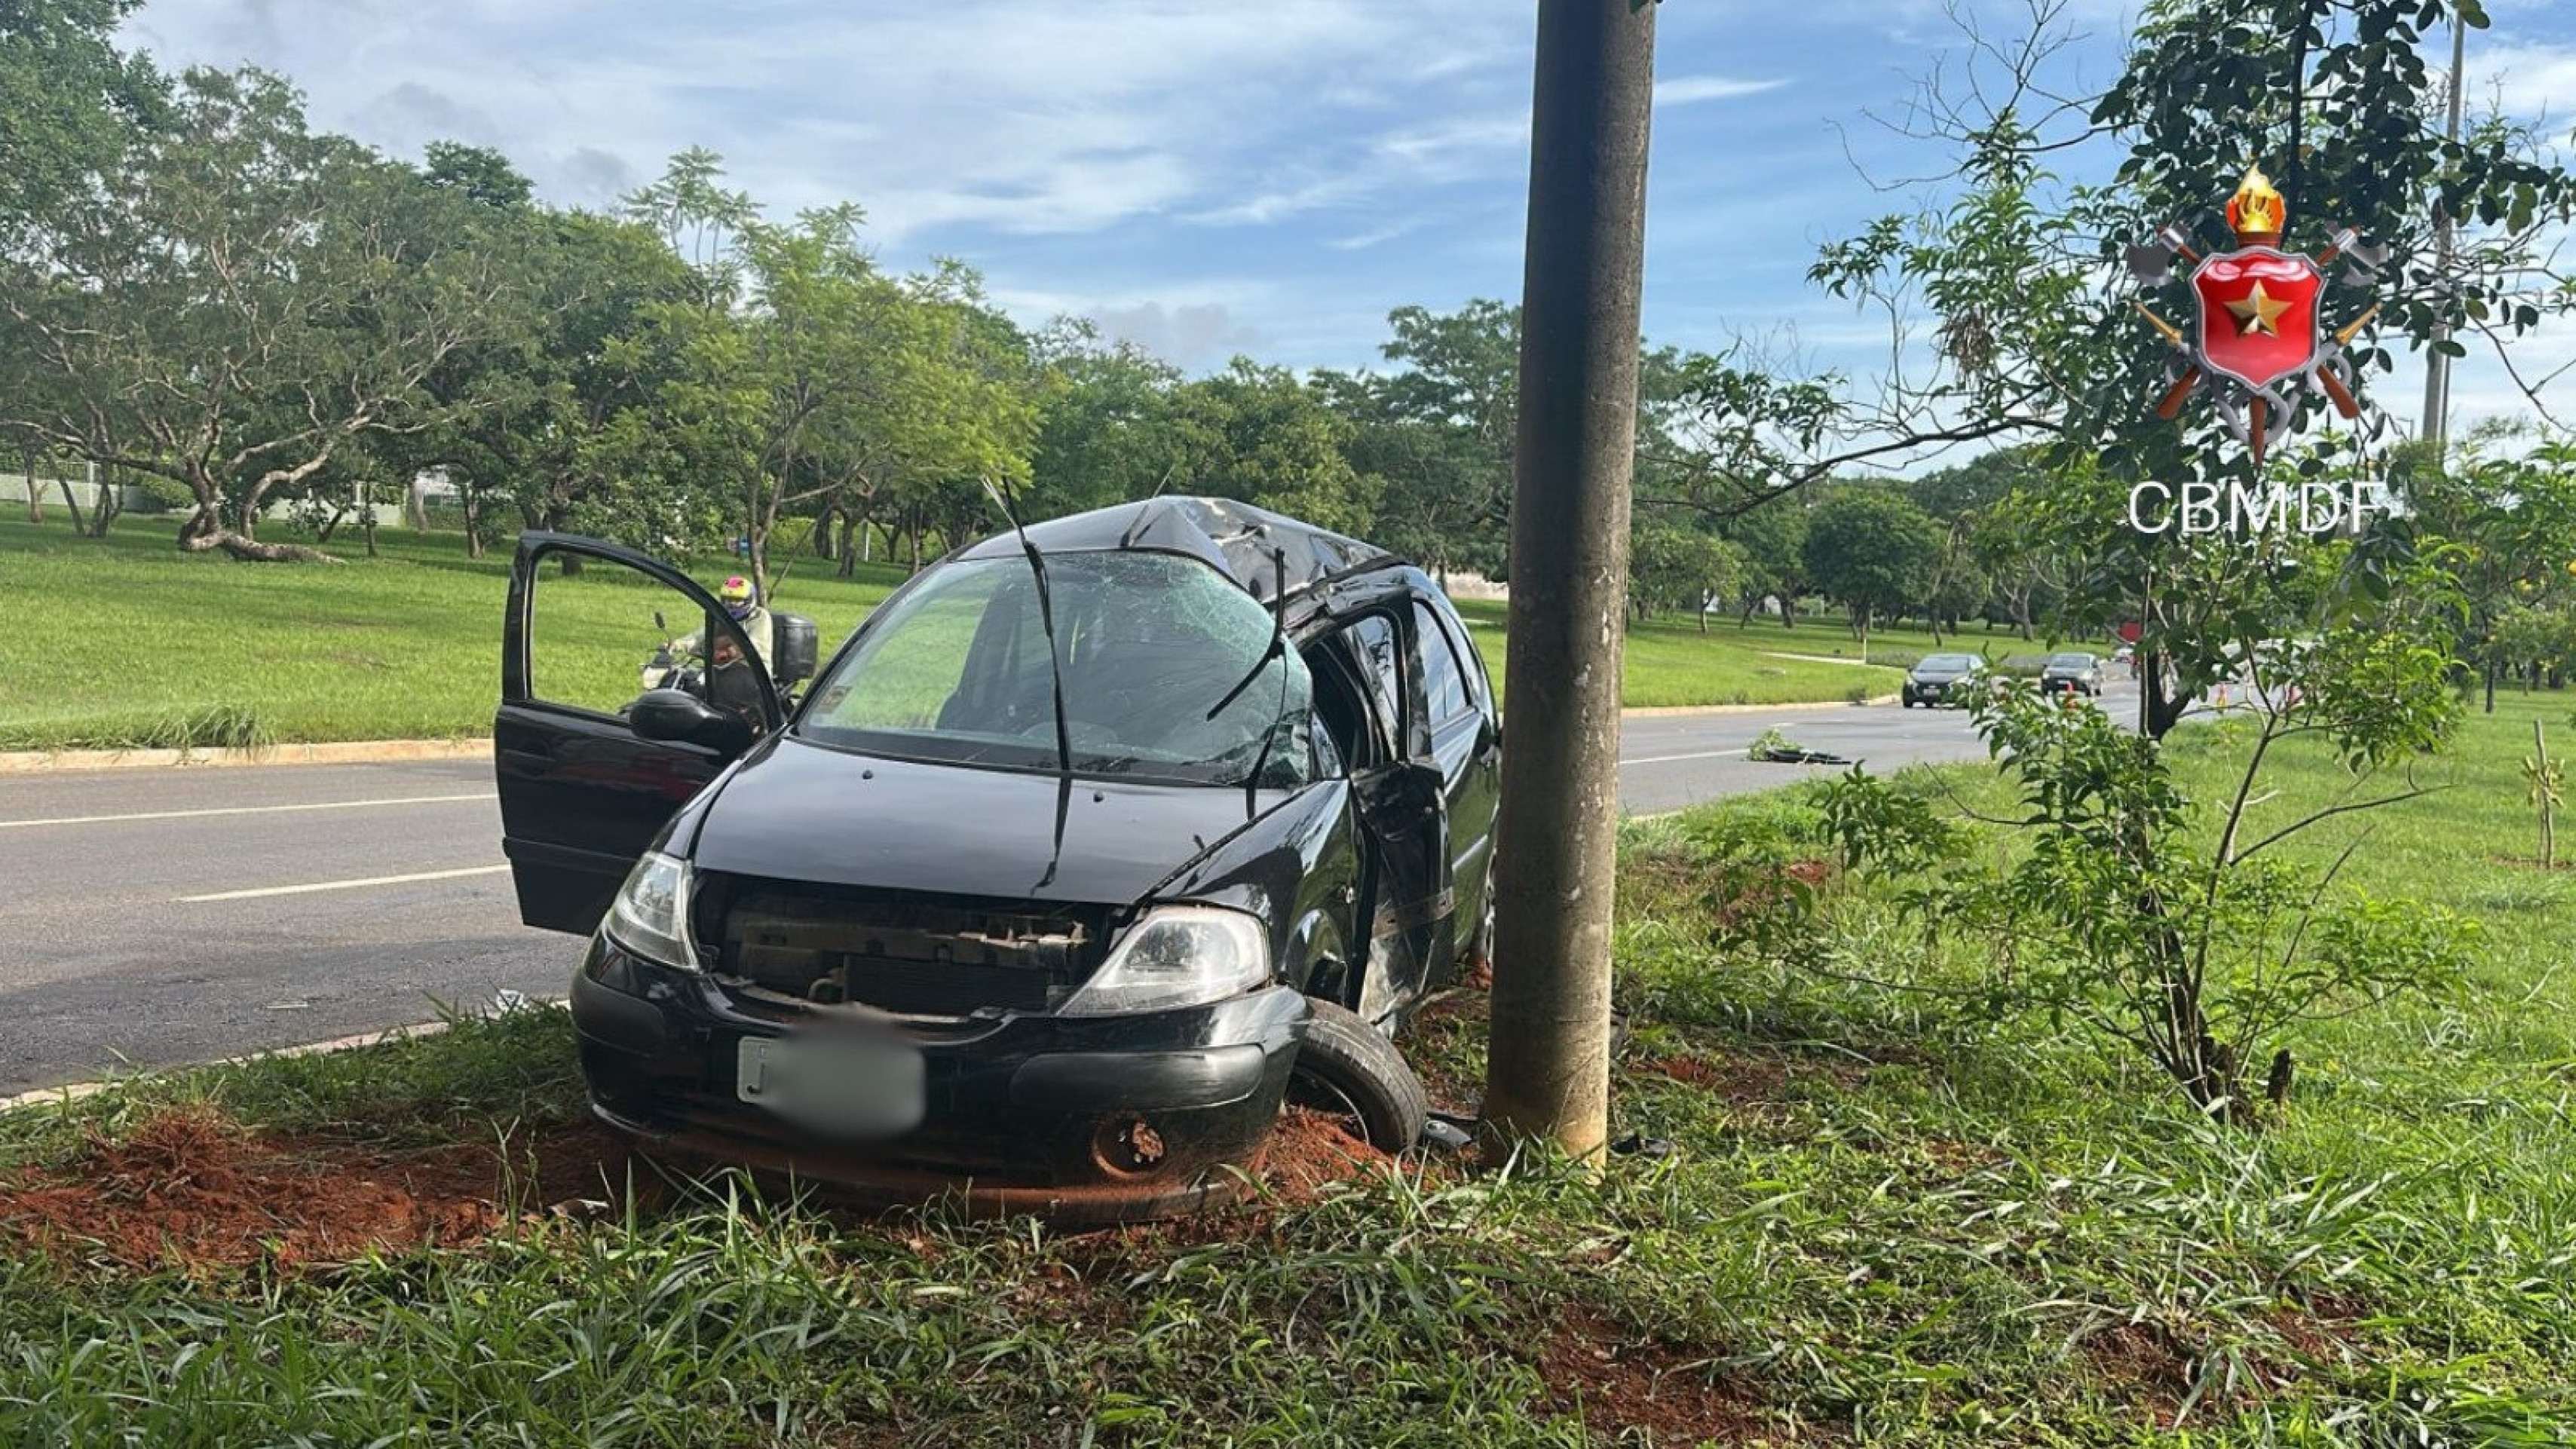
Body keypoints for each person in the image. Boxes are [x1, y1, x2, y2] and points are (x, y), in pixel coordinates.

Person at [674, 575, 773, 673]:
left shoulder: (759, 616)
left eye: (737, 599)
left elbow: (752, 646)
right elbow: (700, 637)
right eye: (728, 599)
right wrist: (679, 645)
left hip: (753, 673)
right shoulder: (721, 617)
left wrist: (724, 650)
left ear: (749, 600)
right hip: (721, 669)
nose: (731, 604)